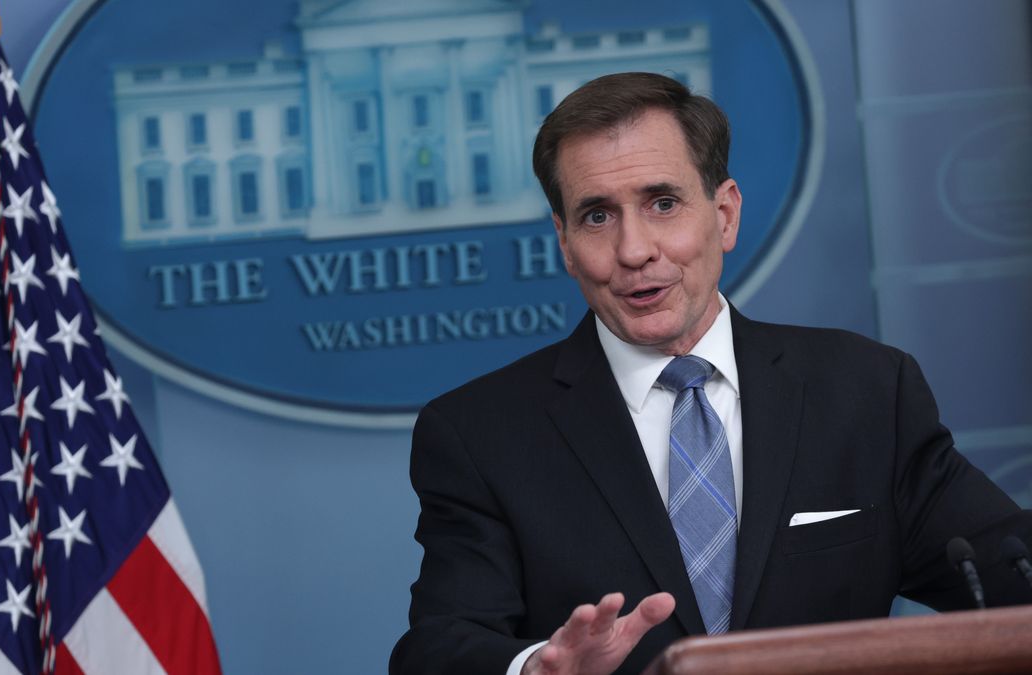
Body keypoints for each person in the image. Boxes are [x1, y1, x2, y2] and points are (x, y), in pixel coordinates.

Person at [389, 72, 1032, 675]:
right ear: (564, 242)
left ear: (723, 215)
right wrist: (535, 669)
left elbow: (1007, 570)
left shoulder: (864, 390)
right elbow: (439, 645)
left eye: (662, 203)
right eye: (596, 216)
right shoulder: (480, 433)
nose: (634, 250)